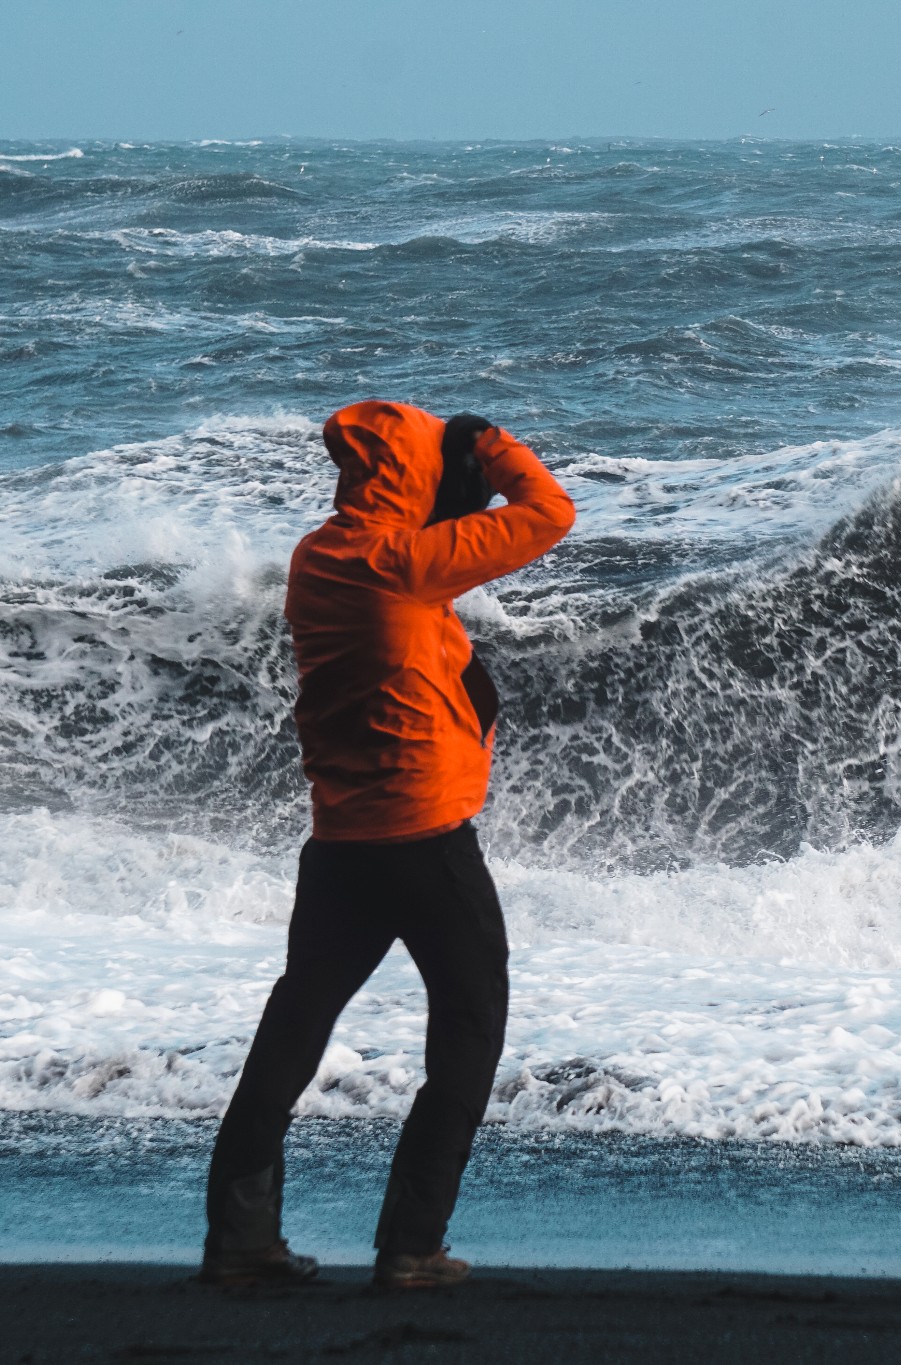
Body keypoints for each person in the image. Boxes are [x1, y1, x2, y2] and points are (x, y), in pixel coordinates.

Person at [200, 400, 576, 1290]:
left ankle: (239, 1238)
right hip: (426, 844)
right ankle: (412, 1245)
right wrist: (491, 446)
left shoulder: (323, 556)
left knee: (293, 1032)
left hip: (341, 843)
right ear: (411, 475)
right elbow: (551, 514)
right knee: (469, 1033)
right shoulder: (402, 564)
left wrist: (448, 483)